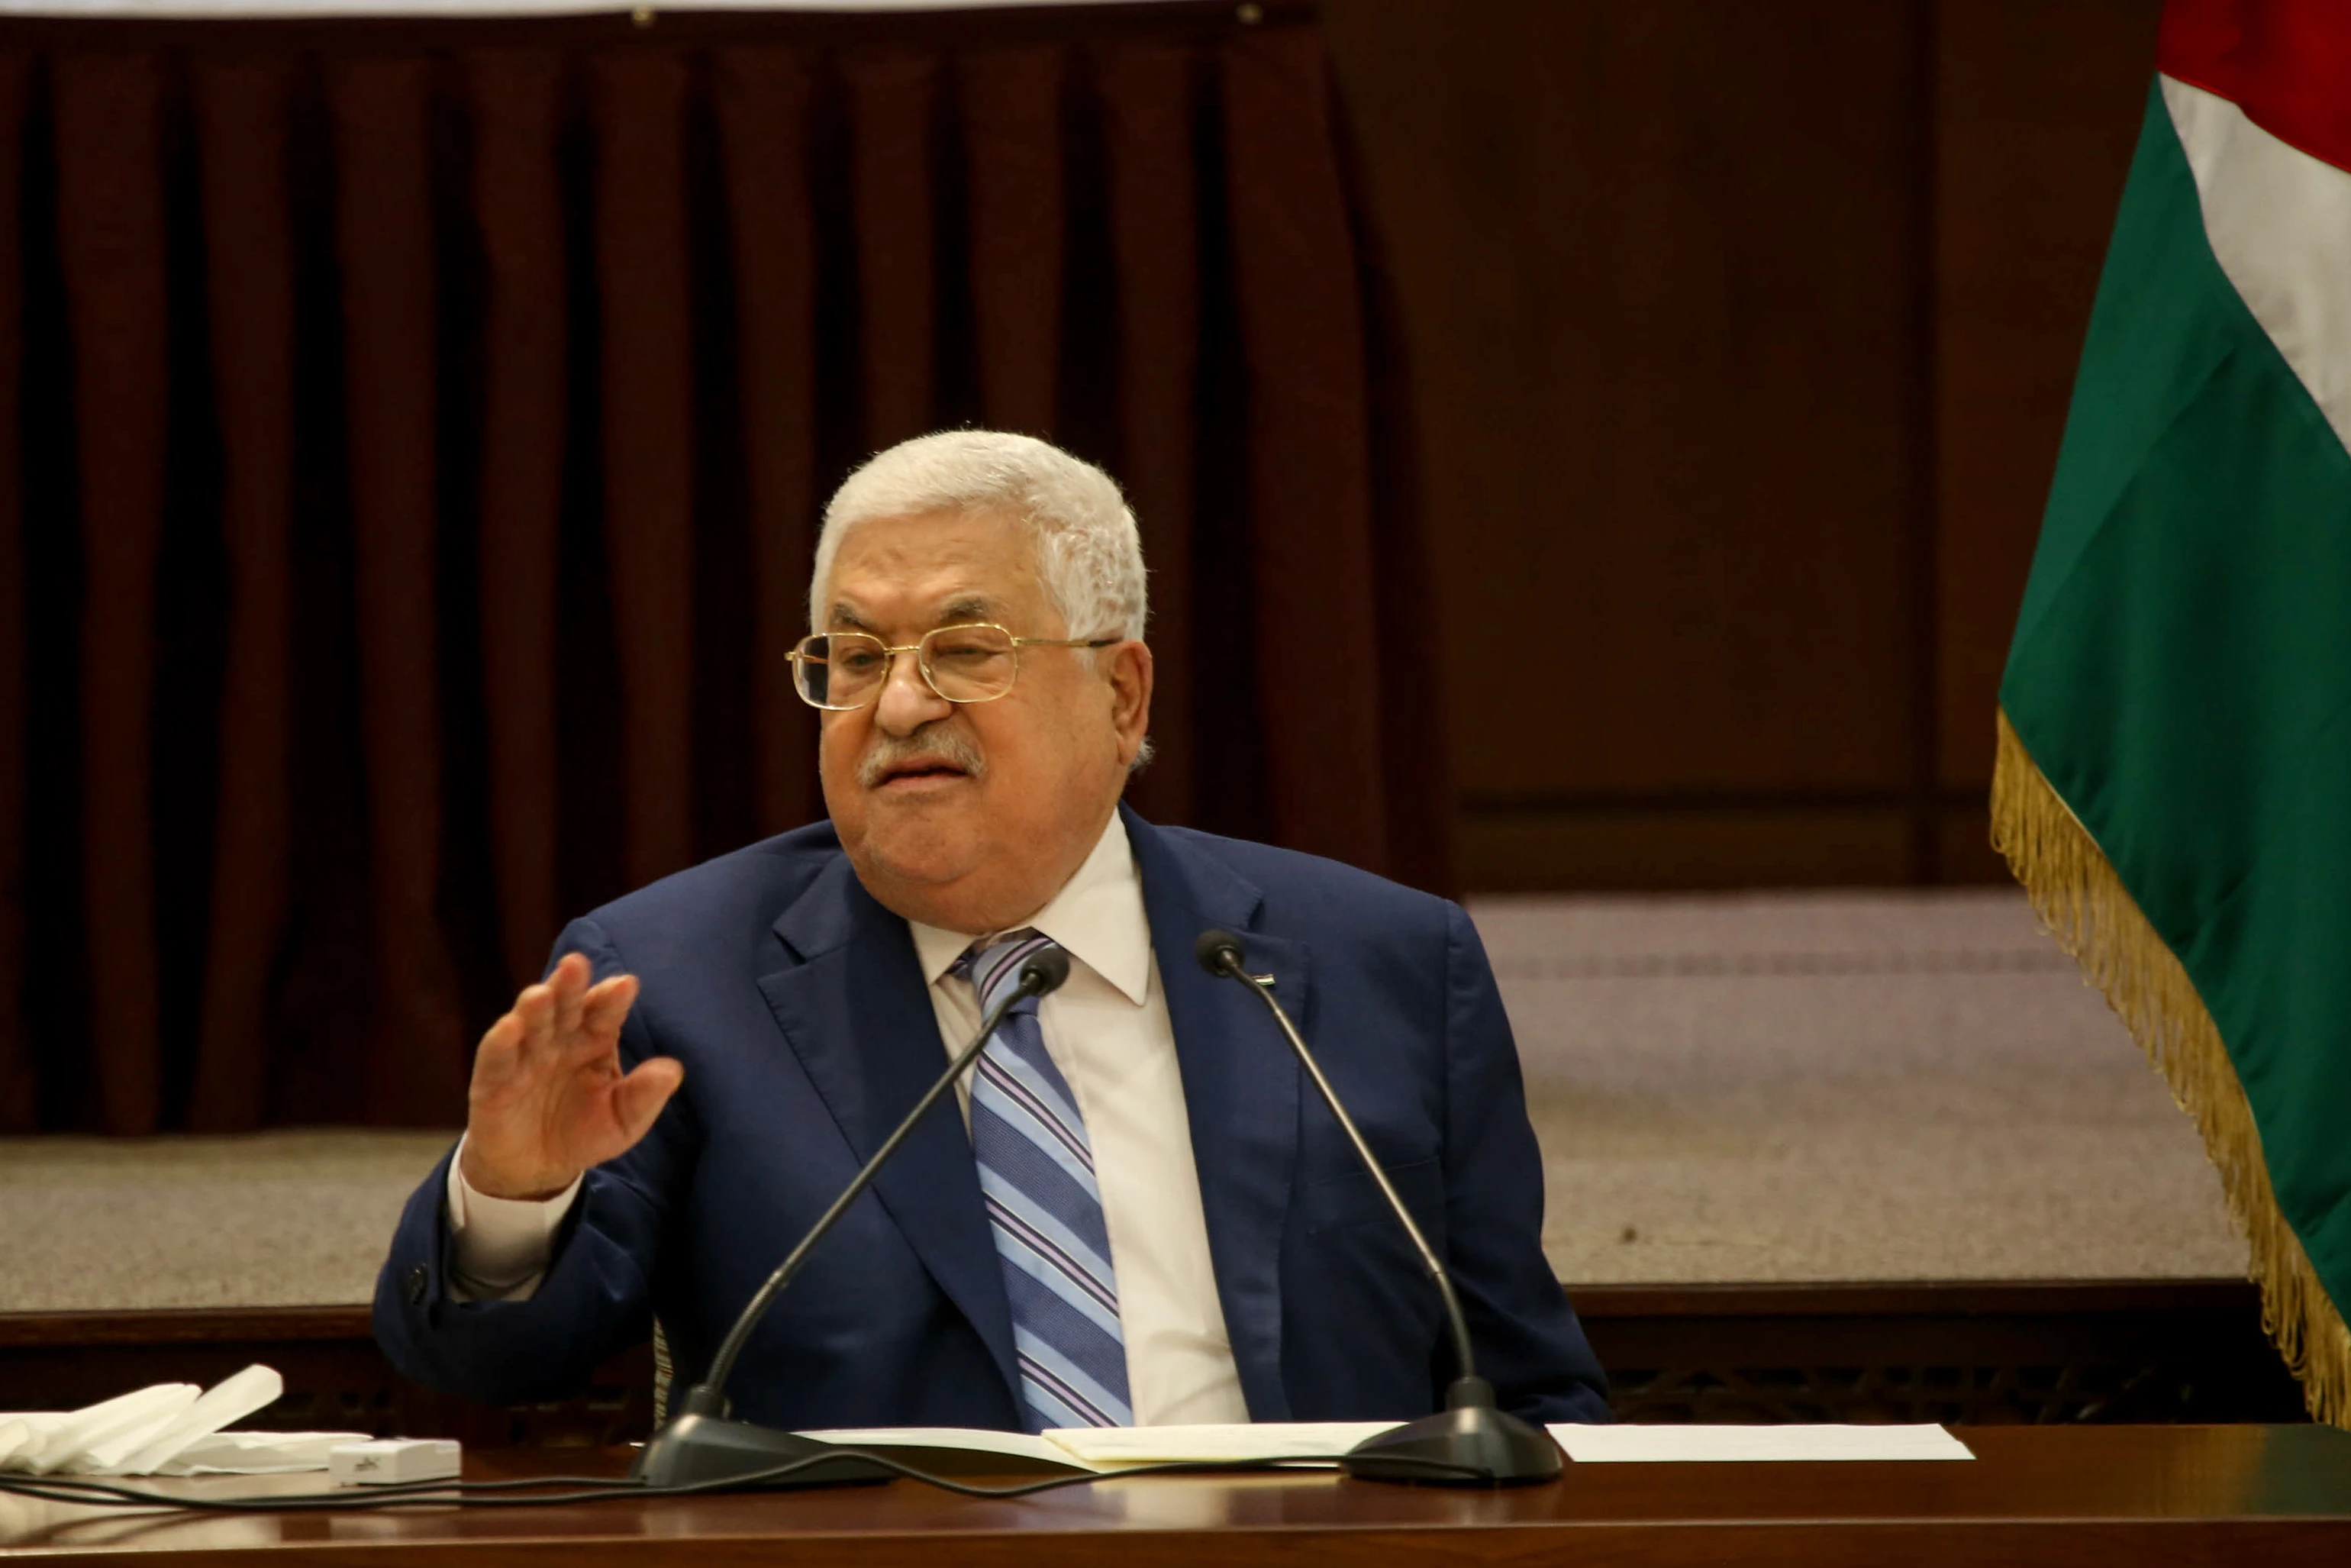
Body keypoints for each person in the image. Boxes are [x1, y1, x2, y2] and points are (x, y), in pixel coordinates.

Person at [373, 431, 1609, 1432]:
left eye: (966, 648)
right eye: (853, 657)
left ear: (1121, 694)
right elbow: (497, 1368)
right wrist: (515, 1197)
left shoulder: (1378, 962)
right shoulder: (683, 977)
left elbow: (1524, 1393)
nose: (900, 702)